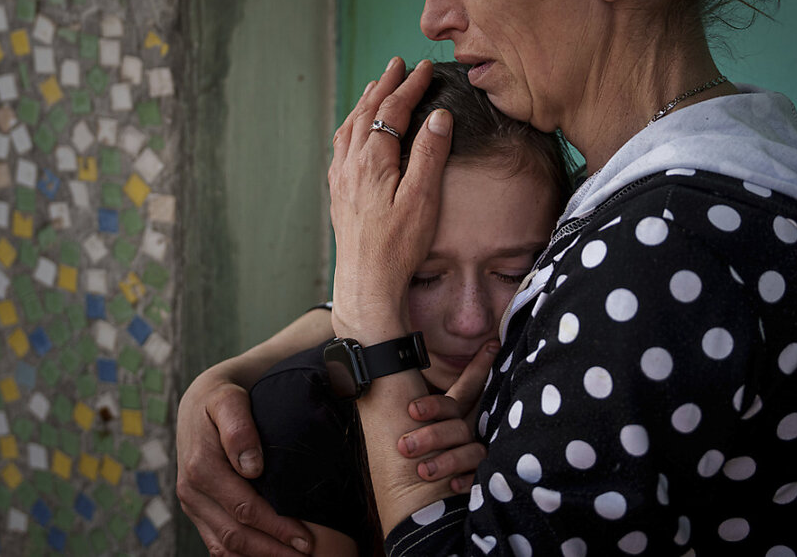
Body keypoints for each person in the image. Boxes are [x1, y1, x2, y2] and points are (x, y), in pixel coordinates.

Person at [180, 0, 797, 555]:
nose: (433, 12)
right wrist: (232, 373)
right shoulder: (676, 202)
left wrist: (372, 320)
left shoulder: (672, 246)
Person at [177, 62, 573, 556]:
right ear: (365, 263)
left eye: (514, 272)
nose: (469, 320)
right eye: (423, 276)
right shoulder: (299, 422)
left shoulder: (574, 375)